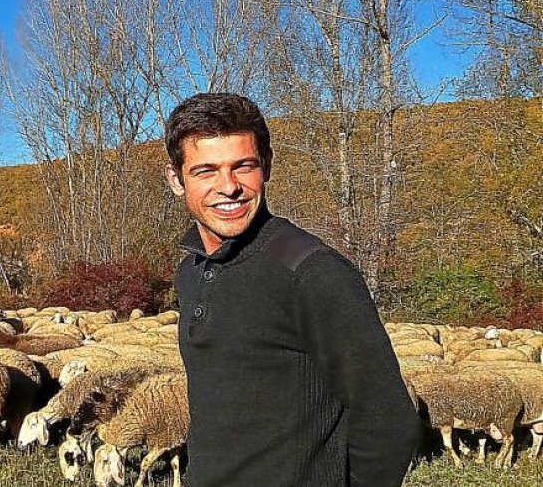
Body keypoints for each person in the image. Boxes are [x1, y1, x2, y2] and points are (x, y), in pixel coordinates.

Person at [163, 93, 421, 487]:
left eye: (243, 166)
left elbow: (389, 419)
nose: (228, 187)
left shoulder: (310, 270)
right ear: (176, 179)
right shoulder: (192, 269)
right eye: (206, 171)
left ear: (265, 166)